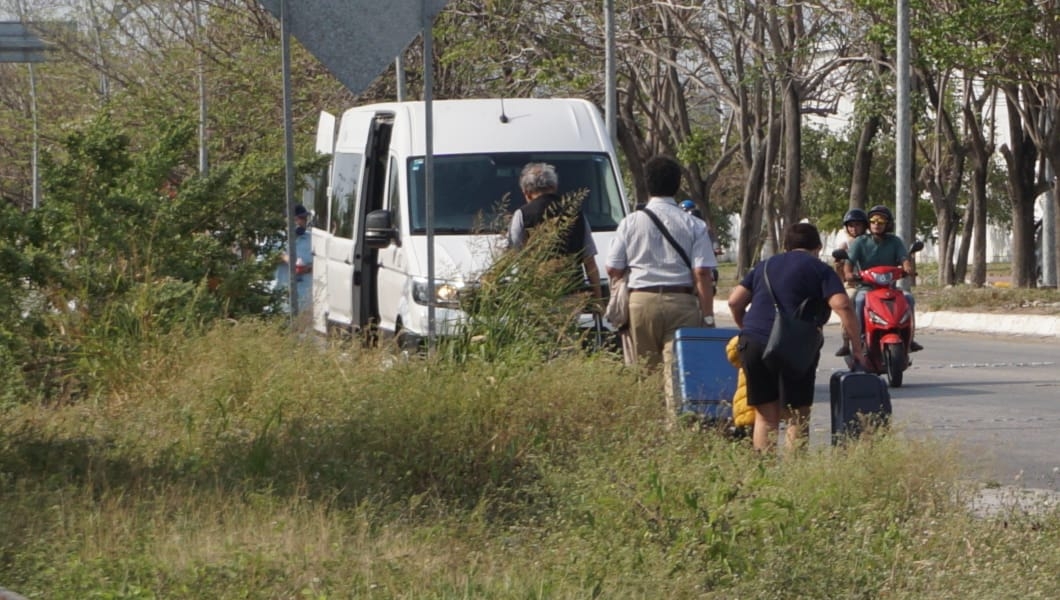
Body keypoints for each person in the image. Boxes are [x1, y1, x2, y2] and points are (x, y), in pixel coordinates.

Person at [728, 222, 865, 453]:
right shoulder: (819, 269)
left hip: (753, 343)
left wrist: (748, 328)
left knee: (765, 417)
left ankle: (765, 475)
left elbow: (734, 301)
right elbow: (842, 305)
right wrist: (858, 349)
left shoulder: (764, 265)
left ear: (786, 246)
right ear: (818, 247)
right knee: (796, 416)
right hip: (795, 346)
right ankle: (794, 474)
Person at [606, 155, 717, 421]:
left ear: (646, 184)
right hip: (682, 303)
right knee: (677, 373)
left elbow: (612, 267)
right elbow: (702, 272)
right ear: (678, 186)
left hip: (640, 302)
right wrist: (708, 316)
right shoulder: (694, 224)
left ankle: (648, 428)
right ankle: (674, 429)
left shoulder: (630, 222)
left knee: (644, 372)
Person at [508, 162, 601, 299]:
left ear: (526, 192)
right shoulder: (575, 212)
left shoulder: (522, 214)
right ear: (554, 187)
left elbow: (513, 253)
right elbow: (589, 260)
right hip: (571, 292)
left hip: (536, 294)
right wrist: (598, 299)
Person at [842, 204, 923, 352]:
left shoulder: (895, 241)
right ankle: (859, 338)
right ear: (869, 223)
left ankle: (910, 338)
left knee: (908, 299)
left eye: (881, 222)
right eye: (873, 221)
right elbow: (849, 263)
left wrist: (907, 267)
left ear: (888, 224)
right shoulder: (860, 242)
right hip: (866, 287)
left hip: (889, 288)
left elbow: (904, 258)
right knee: (859, 300)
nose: (876, 225)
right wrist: (848, 274)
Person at [833, 208, 869, 356]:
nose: (854, 228)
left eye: (858, 225)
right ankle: (846, 341)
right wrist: (840, 265)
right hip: (853, 284)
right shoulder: (845, 245)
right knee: (850, 300)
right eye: (851, 225)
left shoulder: (871, 242)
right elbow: (838, 269)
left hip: (874, 282)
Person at [274, 204, 313, 315]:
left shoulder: (312, 239)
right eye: (298, 219)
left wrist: (307, 268)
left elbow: (322, 263)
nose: (302, 222)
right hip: (283, 299)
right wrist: (288, 259)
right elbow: (267, 258)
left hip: (305, 299)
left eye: (304, 219)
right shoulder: (276, 238)